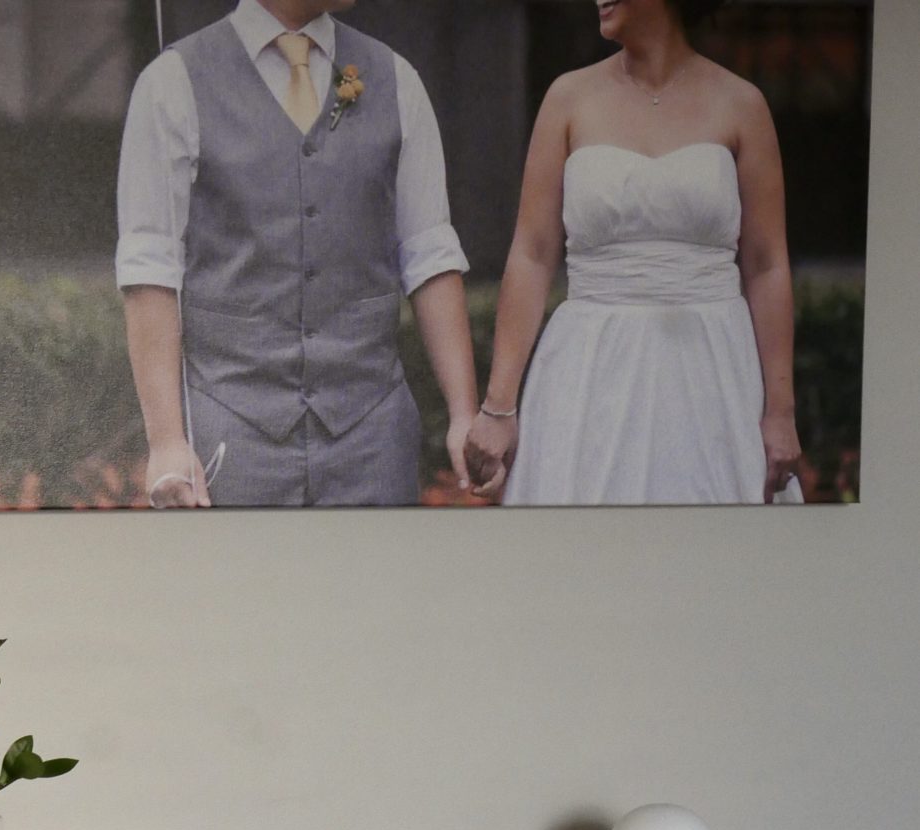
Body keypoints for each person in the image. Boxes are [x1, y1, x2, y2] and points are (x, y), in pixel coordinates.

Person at [115, 0, 479, 509]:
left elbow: (430, 254)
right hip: (231, 436)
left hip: (372, 437)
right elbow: (150, 269)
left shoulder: (396, 79)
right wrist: (167, 443)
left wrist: (464, 412)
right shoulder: (172, 82)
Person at [465, 0, 803, 507]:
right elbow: (533, 254)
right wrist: (498, 407)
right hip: (590, 368)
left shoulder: (742, 104)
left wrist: (781, 412)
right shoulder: (568, 98)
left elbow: (767, 264)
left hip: (712, 371)